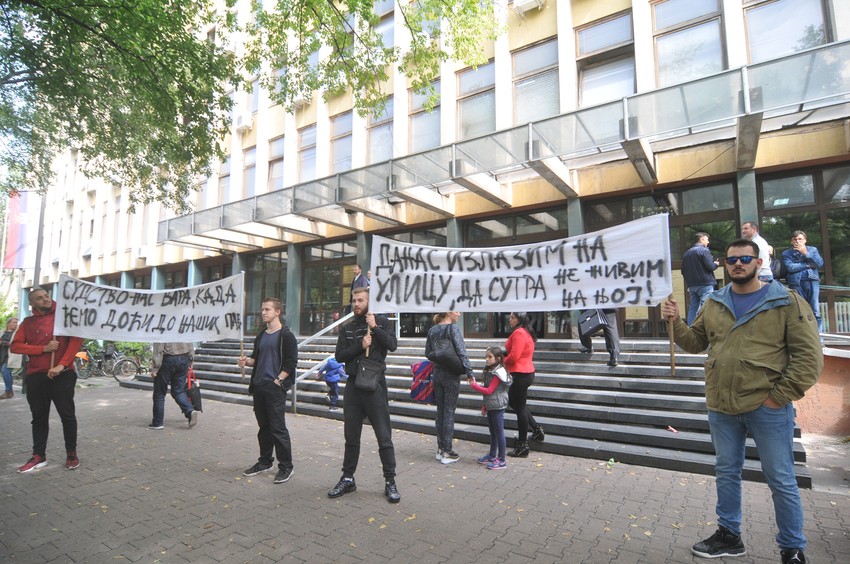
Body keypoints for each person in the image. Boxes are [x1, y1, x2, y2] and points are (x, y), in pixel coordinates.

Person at [661, 239, 822, 564]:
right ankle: (729, 536)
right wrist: (675, 321)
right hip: (722, 406)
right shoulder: (715, 302)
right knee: (727, 471)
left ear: (758, 262)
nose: (737, 264)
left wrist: (777, 399)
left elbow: (809, 359)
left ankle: (792, 548)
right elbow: (695, 342)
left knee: (780, 478)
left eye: (745, 258)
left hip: (768, 408)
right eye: (731, 259)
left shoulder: (786, 301)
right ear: (723, 264)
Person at [328, 287, 400, 503]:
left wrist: (375, 328)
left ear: (370, 302)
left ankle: (390, 481)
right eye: (354, 300)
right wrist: (360, 345)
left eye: (360, 300)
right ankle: (348, 478)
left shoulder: (382, 322)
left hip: (375, 385)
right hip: (353, 386)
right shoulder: (347, 328)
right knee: (351, 437)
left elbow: (393, 346)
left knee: (383, 437)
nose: (356, 304)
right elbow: (339, 356)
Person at [11, 288, 83, 472]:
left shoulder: (65, 317)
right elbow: (15, 346)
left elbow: (76, 340)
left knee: (67, 415)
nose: (45, 299)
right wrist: (43, 348)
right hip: (36, 376)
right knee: (38, 417)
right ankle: (38, 455)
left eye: (46, 296)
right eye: (39, 298)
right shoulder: (27, 323)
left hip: (63, 374)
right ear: (32, 304)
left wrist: (62, 365)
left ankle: (71, 453)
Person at [237, 297, 298, 485]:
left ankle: (286, 467)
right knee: (264, 428)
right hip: (259, 386)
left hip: (274, 388)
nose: (264, 312)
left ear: (277, 312)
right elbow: (256, 359)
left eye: (267, 309)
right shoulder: (261, 335)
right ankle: (265, 461)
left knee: (278, 428)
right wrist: (246, 362)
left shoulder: (286, 335)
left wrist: (279, 380)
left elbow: (291, 362)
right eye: (263, 309)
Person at [424, 311, 473, 464]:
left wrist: (439, 358)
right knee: (449, 411)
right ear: (448, 312)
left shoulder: (432, 330)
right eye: (457, 310)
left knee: (441, 410)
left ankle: (440, 449)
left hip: (437, 373)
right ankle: (447, 451)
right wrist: (469, 371)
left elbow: (427, 353)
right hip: (451, 374)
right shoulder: (453, 329)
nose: (459, 313)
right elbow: (461, 351)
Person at [504, 312, 544, 458]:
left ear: (520, 319)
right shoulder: (524, 331)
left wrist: (502, 359)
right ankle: (536, 429)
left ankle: (522, 445)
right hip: (524, 373)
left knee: (519, 407)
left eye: (512, 317)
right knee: (515, 403)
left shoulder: (519, 333)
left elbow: (515, 356)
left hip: (520, 374)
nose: (510, 319)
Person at [467, 346, 511, 470]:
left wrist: (474, 385)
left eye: (490, 357)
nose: (487, 359)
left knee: (499, 431)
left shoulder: (498, 372)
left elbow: (489, 390)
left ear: (497, 358)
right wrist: (485, 405)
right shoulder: (490, 370)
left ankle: (502, 460)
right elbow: (487, 391)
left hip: (497, 405)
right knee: (493, 432)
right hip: (491, 404)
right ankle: (492, 455)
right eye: (486, 356)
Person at [781, 230, 824, 334]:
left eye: (800, 239)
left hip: (812, 281)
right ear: (791, 241)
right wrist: (807, 265)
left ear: (805, 240)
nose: (797, 241)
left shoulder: (812, 250)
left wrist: (805, 253)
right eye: (795, 239)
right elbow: (790, 267)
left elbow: (819, 263)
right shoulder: (786, 253)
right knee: (800, 310)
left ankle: (819, 338)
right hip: (796, 283)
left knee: (815, 310)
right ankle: (805, 335)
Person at [148, 342, 198, 430]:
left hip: (167, 360)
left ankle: (158, 422)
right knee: (178, 391)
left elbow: (158, 349)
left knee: (159, 393)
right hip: (184, 359)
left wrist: (155, 368)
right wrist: (191, 361)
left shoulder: (162, 328)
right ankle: (190, 411)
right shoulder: (183, 327)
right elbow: (190, 344)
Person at [681, 232, 720, 324]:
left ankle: (690, 328)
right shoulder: (704, 251)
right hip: (705, 283)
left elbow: (683, 271)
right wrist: (716, 264)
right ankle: (707, 327)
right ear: (701, 239)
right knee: (706, 306)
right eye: (707, 240)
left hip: (692, 285)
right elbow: (710, 267)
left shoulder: (687, 253)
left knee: (693, 308)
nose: (708, 242)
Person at [1, 317, 18, 399]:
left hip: (11, 356)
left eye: (16, 322)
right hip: (2, 355)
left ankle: (8, 391)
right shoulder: (2, 332)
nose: (15, 324)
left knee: (5, 371)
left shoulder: (17, 333)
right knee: (5, 373)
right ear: (8, 323)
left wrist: (7, 343)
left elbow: (17, 344)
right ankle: (10, 391)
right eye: (13, 322)